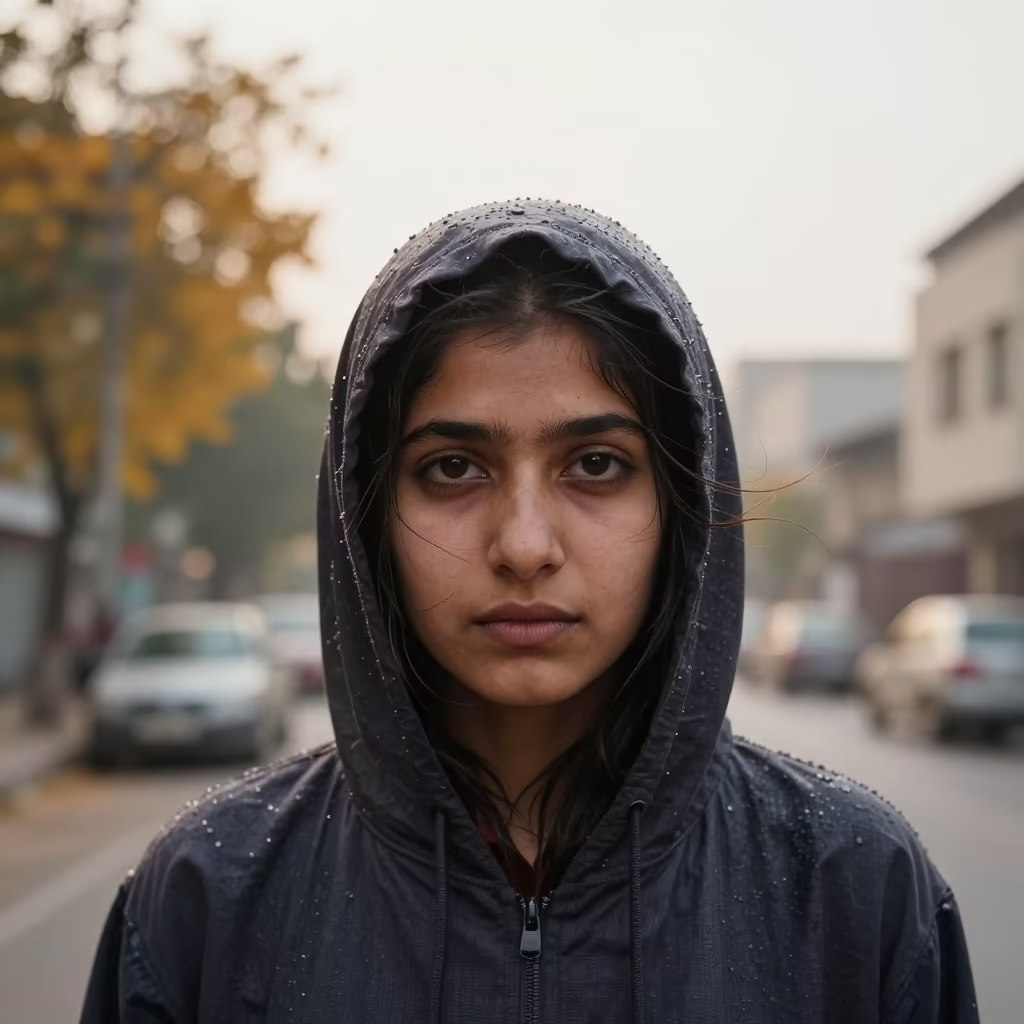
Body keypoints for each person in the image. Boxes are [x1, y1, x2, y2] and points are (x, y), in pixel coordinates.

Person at [81, 201, 978, 1023]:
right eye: (452, 468)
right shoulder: (209, 895)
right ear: (366, 515)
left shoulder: (853, 886)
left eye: (595, 465)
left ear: (676, 507)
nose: (523, 544)